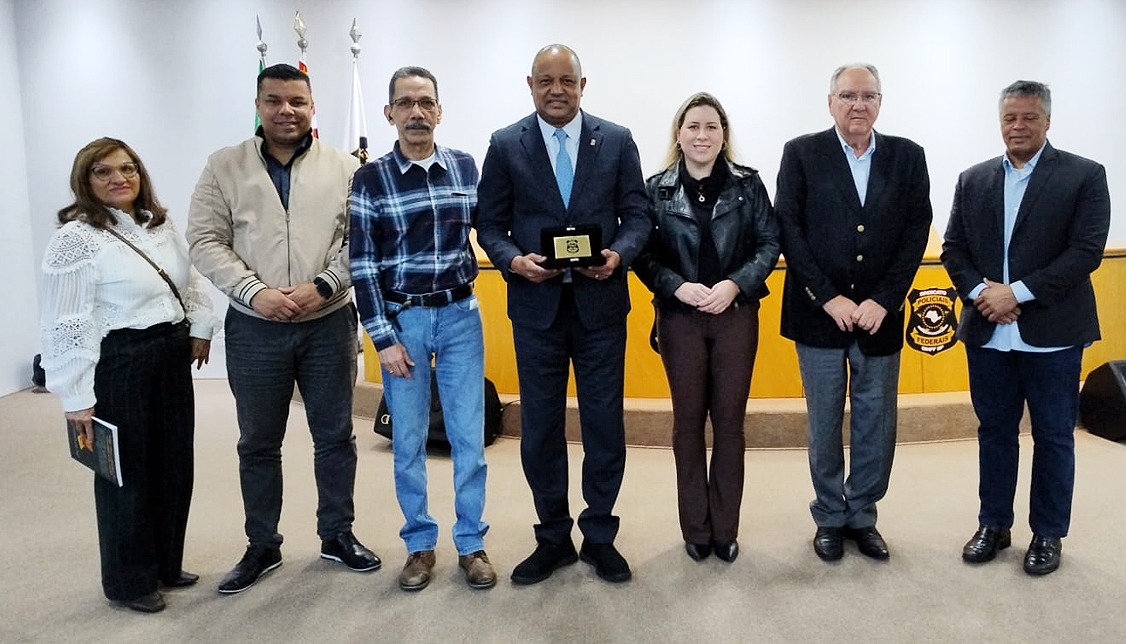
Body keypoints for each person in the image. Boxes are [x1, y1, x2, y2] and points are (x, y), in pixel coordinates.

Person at [187, 63, 379, 594]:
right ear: (258, 105)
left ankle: (337, 534)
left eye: (297, 101)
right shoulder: (223, 166)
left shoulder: (346, 167)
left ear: (313, 107)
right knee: (258, 442)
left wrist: (324, 285)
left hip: (327, 322)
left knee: (335, 436)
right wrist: (256, 293)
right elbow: (205, 240)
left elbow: (361, 238)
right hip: (255, 328)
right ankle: (262, 544)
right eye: (273, 100)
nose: (286, 110)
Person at [476, 44, 651, 584]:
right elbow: (489, 224)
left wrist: (618, 255)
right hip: (537, 312)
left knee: (604, 426)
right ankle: (552, 536)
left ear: (582, 84)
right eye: (546, 81)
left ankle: (599, 535)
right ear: (530, 84)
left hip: (602, 309)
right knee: (541, 430)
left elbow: (638, 215)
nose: (557, 90)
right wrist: (514, 262)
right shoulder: (505, 144)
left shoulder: (617, 140)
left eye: (567, 80)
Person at [40, 137, 218, 613]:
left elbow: (189, 280)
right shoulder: (75, 239)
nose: (119, 178)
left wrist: (200, 327)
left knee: (174, 464)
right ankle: (129, 580)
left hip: (170, 353)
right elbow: (66, 321)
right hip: (120, 361)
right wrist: (75, 396)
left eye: (128, 168)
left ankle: (165, 563)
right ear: (85, 181)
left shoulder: (157, 224)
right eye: (103, 171)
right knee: (126, 473)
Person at [941, 80, 1111, 576]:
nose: (1018, 126)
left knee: (1054, 436)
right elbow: (953, 248)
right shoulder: (973, 179)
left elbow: (1086, 252)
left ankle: (1048, 533)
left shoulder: (1084, 175)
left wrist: (1016, 293)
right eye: (1010, 118)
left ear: (1047, 120)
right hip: (988, 331)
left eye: (1029, 117)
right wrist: (983, 293)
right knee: (994, 432)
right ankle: (993, 524)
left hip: (1053, 333)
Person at [776, 64, 932, 562]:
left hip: (879, 317)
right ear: (830, 102)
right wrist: (828, 297)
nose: (858, 105)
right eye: (847, 95)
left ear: (880, 102)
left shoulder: (908, 156)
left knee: (876, 422)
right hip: (818, 315)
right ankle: (829, 515)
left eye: (868, 96)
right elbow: (789, 230)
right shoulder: (801, 153)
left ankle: (862, 514)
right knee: (824, 422)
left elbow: (916, 231)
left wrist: (884, 299)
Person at [350, 66, 495, 592]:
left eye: (426, 102)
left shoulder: (464, 166)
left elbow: (492, 228)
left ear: (439, 110)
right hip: (403, 321)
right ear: (389, 113)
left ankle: (471, 543)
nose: (417, 112)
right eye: (406, 103)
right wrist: (382, 339)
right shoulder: (370, 179)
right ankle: (419, 543)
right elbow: (362, 264)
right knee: (408, 440)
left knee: (468, 438)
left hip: (460, 316)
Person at [634, 92, 780, 563]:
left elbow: (769, 243)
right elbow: (642, 253)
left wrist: (736, 284)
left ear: (723, 134)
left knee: (731, 424)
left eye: (711, 126)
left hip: (735, 316)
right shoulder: (655, 189)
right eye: (693, 126)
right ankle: (696, 529)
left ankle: (725, 529)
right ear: (679, 134)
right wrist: (676, 286)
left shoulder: (748, 185)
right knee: (688, 424)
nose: (702, 135)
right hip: (680, 320)